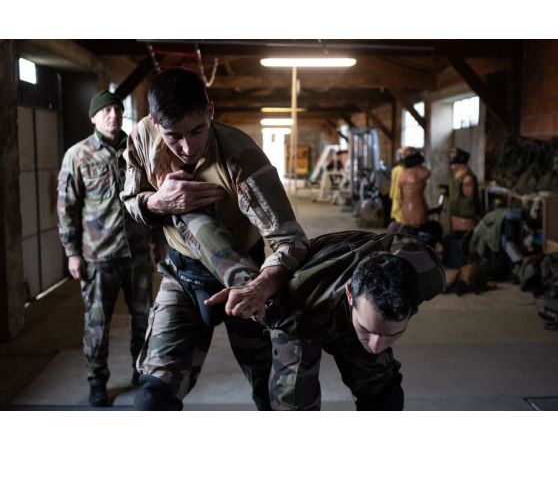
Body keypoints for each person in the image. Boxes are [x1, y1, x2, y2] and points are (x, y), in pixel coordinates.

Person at [120, 68, 309, 411]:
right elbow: (131, 201)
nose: (187, 147)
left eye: (196, 130)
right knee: (152, 397)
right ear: (153, 121)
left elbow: (291, 241)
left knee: (274, 394)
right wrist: (157, 202)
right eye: (174, 136)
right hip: (181, 276)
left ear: (210, 110)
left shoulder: (242, 158)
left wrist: (262, 285)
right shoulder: (142, 137)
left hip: (243, 275)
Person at [200, 229, 445, 410]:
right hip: (304, 308)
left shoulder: (426, 277)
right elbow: (213, 242)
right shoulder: (296, 303)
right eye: (368, 330)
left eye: (393, 334)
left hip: (359, 293)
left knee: (383, 391)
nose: (376, 345)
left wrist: (371, 329)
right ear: (349, 294)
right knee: (290, 402)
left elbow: (403, 240)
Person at [57, 90, 153, 407]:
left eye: (116, 109)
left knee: (145, 320)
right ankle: (97, 380)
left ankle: (142, 374)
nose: (113, 115)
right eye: (106, 111)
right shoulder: (78, 154)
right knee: (98, 325)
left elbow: (154, 199)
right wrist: (72, 252)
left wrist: (161, 243)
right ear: (94, 118)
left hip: (137, 253)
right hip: (98, 256)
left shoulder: (136, 150)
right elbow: (67, 206)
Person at [449, 147, 480, 232]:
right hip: (456, 219)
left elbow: (469, 203)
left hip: (465, 222)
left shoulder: (467, 179)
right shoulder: (457, 176)